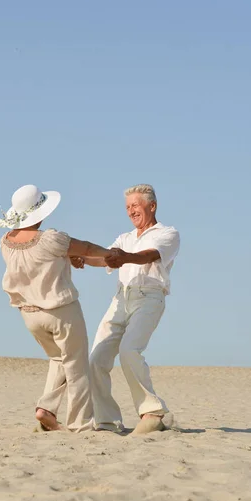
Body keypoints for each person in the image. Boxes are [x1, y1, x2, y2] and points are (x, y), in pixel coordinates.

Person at [0, 184, 117, 433]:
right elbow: (87, 248)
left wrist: (67, 258)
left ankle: (46, 409)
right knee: (76, 365)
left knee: (57, 359)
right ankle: (80, 423)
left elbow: (39, 262)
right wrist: (112, 254)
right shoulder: (51, 238)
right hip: (60, 311)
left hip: (29, 315)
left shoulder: (5, 242)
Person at [71, 184, 180, 434]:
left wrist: (123, 257)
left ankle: (152, 411)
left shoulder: (168, 233)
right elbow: (108, 258)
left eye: (135, 205)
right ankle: (107, 421)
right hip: (120, 299)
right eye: (128, 207)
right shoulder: (124, 238)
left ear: (151, 206)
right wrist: (83, 259)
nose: (131, 211)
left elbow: (149, 255)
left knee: (129, 350)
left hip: (149, 297)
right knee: (97, 358)